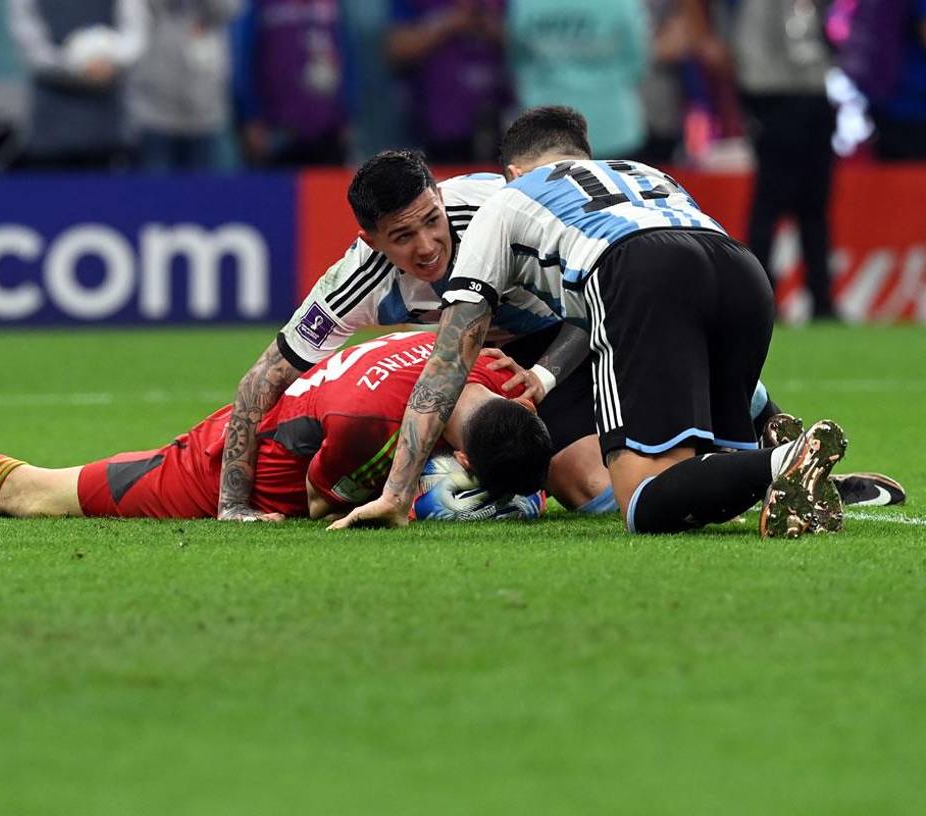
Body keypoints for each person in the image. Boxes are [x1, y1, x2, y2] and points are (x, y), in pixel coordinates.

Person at [331, 106, 852, 538]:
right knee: (709, 482)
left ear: (511, 173)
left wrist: (395, 495)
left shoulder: (504, 201)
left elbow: (449, 359)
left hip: (639, 269)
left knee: (644, 500)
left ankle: (782, 460)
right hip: (740, 268)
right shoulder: (641, 171)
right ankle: (795, 467)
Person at [0, 332, 549, 524]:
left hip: (259, 423)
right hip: (216, 472)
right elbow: (324, 499)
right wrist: (432, 501)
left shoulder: (466, 358)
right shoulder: (375, 424)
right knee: (35, 495)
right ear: (466, 448)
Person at [218, 149, 615, 524]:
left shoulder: (503, 214)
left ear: (440, 196)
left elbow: (603, 295)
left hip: (571, 334)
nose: (426, 247)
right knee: (583, 486)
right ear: (372, 241)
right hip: (477, 362)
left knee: (595, 489)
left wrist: (544, 376)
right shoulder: (359, 281)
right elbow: (262, 380)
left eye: (431, 220)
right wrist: (233, 505)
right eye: (403, 236)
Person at [730, 0, 838, 320]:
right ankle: (759, 301)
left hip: (815, 102)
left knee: (815, 208)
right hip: (777, 104)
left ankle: (822, 301)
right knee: (769, 208)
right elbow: (750, 60)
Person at [6, 0, 149, 170]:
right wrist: (78, 66)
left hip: (110, 127)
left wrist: (110, 59)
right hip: (50, 129)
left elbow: (134, 32)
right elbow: (30, 44)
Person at [507, 0, 649, 159]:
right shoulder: (623, 4)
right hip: (612, 125)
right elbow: (636, 63)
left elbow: (518, 60)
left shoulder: (525, 4)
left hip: (544, 127)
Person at [386, 0, 511, 164]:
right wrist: (450, 22)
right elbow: (397, 49)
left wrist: (484, 22)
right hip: (436, 132)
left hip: (500, 126)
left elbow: (531, 39)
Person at [232, 0, 353, 167]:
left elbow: (346, 53)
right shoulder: (258, 6)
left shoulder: (332, 5)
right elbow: (243, 60)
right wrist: (251, 116)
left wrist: (347, 114)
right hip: (277, 130)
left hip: (327, 128)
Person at [128, 0, 242, 171]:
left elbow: (229, 8)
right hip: (154, 112)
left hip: (209, 111)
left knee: (221, 192)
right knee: (156, 194)